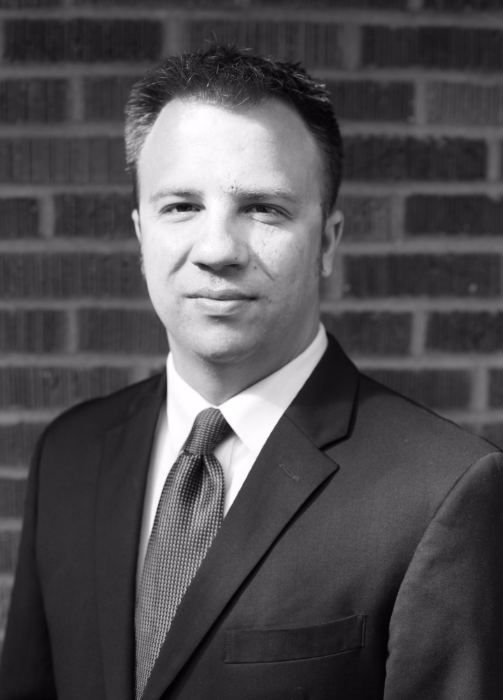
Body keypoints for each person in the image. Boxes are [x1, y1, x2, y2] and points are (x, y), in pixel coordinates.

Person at [1, 44, 502, 700]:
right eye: (181, 206)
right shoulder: (71, 453)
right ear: (141, 235)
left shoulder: (442, 490)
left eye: (264, 208)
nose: (217, 250)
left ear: (327, 241)